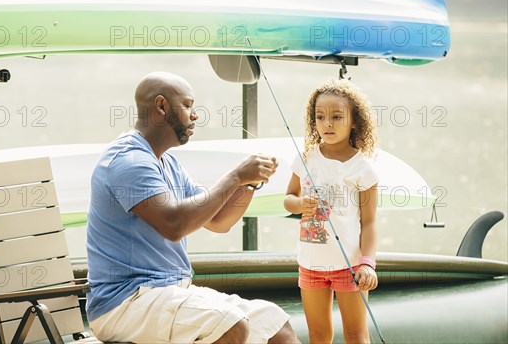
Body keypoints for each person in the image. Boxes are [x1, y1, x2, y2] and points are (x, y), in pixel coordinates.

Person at [86, 71, 300, 344]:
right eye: (187, 106)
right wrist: (234, 176)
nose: (195, 115)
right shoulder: (129, 160)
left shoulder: (167, 162)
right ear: (162, 107)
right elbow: (174, 225)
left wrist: (247, 184)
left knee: (274, 324)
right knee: (230, 326)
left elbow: (220, 221)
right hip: (125, 303)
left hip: (170, 294)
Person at [283, 79, 379, 344]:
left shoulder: (363, 168)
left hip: (349, 266)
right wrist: (300, 205)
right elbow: (289, 198)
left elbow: (369, 223)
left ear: (354, 121)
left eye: (337, 117)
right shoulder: (306, 157)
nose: (327, 124)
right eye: (320, 117)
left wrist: (368, 264)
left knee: (356, 335)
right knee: (318, 334)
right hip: (310, 263)